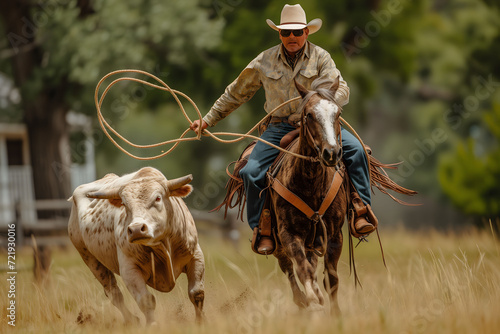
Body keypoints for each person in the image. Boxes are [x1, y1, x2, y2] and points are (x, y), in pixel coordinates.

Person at [190, 4, 376, 253]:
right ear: (279, 34)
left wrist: (320, 103)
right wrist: (207, 120)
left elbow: (342, 89)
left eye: (297, 32)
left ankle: (360, 208)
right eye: (286, 33)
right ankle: (263, 227)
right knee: (250, 172)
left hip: (319, 124)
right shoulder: (264, 61)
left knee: (357, 152)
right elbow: (236, 92)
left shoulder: (322, 58)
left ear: (306, 33)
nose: (292, 37)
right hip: (279, 127)